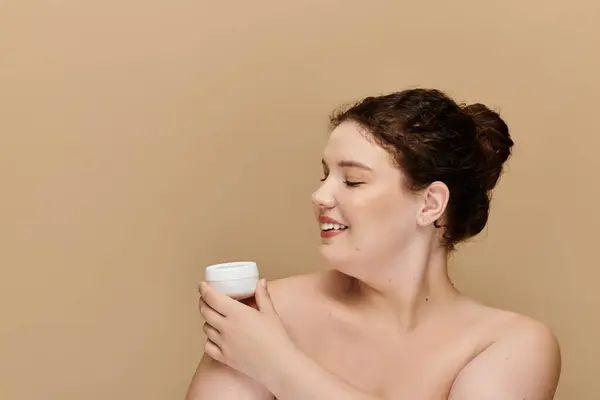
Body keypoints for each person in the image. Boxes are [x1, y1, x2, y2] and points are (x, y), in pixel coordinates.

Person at [185, 88, 562, 400]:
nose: (320, 195)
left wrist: (278, 366)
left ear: (430, 204)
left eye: (352, 180)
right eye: (325, 175)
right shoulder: (267, 316)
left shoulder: (510, 345)